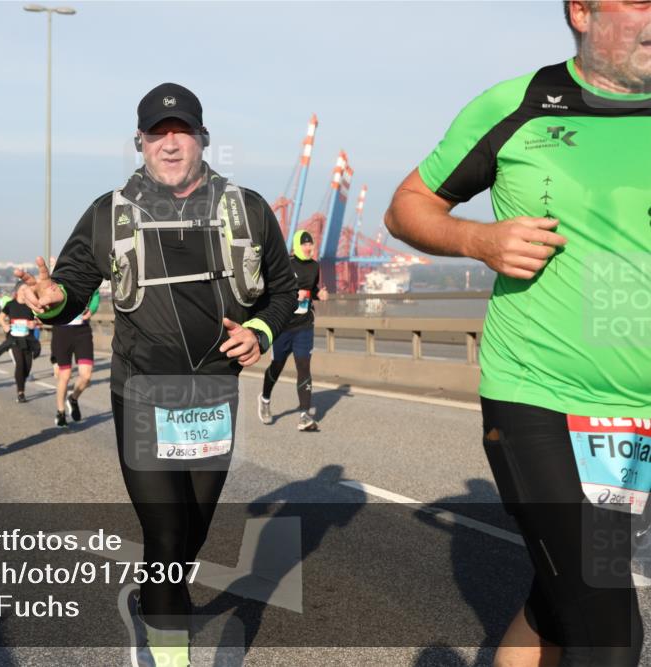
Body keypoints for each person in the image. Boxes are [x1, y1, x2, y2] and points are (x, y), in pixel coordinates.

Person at [384, 3, 650, 665]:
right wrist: (478, 238)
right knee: (609, 633)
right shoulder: (520, 105)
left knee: (562, 601)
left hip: (636, 423)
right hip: (542, 399)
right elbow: (407, 207)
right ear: (581, 12)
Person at [15, 82, 296, 667]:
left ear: (202, 139)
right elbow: (72, 292)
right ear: (139, 143)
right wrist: (50, 299)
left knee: (189, 536)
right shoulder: (107, 214)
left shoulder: (247, 209)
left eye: (181, 132)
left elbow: (284, 290)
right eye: (157, 134)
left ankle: (149, 597)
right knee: (167, 538)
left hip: (214, 392)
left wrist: (261, 333)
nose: (170, 144)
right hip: (141, 390)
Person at [258, 230, 328, 431]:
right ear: (297, 245)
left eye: (311, 244)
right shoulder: (286, 264)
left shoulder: (315, 266)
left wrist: (318, 294)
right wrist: (291, 295)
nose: (309, 248)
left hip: (304, 325)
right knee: (277, 365)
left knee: (304, 366)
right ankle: (265, 399)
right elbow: (272, 290)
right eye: (305, 244)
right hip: (283, 326)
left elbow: (312, 288)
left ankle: (305, 415)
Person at [51, 290, 100, 428]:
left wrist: (92, 309)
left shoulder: (84, 273)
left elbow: (94, 293)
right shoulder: (58, 277)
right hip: (62, 331)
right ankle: (60, 412)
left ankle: (73, 399)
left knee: (86, 376)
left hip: (82, 330)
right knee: (65, 376)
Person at [0, 282, 39, 403]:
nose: (26, 291)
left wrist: (33, 323)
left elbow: (35, 320)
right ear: (18, 291)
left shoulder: (30, 306)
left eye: (27, 289)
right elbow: (0, 317)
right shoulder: (10, 305)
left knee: (27, 366)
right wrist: (4, 325)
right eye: (23, 289)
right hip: (14, 339)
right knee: (20, 364)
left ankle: (21, 379)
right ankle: (21, 393)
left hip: (27, 339)